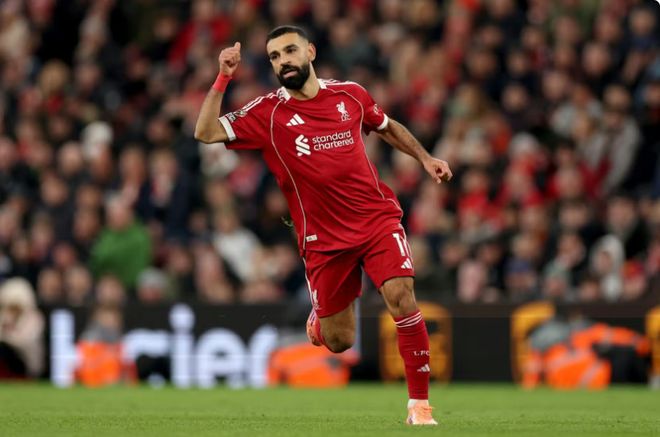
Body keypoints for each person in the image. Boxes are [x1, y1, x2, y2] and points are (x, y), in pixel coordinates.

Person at [195, 25, 452, 425]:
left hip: (375, 218)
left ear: (311, 52)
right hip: (324, 240)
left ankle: (419, 406)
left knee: (401, 296)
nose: (283, 61)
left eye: (290, 51)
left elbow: (387, 127)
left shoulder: (350, 94)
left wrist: (425, 158)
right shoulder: (268, 113)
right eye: (275, 57)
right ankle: (320, 320)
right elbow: (205, 131)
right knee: (339, 340)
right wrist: (223, 77)